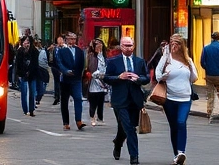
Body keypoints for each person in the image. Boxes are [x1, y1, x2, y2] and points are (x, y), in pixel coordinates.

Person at [104, 36, 149, 165]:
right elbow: (107, 78)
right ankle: (134, 157)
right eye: (125, 45)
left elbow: (146, 78)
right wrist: (119, 77)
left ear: (133, 46)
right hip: (120, 100)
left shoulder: (139, 61)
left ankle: (118, 143)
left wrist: (138, 79)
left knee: (126, 127)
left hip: (135, 100)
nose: (128, 48)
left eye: (130, 45)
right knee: (129, 128)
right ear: (121, 46)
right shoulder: (113, 61)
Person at [155, 34, 199, 165]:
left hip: (185, 98)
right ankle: (176, 155)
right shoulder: (166, 58)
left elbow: (194, 78)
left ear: (181, 45)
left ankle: (181, 152)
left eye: (177, 43)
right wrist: (163, 76)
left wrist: (189, 69)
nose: (174, 46)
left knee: (181, 122)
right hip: (169, 98)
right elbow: (157, 74)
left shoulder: (187, 60)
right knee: (174, 126)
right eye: (172, 43)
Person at [53, 31, 87, 130]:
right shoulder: (62, 51)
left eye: (74, 39)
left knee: (78, 98)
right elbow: (59, 63)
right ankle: (66, 122)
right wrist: (65, 71)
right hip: (65, 80)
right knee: (64, 101)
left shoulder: (79, 51)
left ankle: (78, 121)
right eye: (71, 39)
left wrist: (80, 74)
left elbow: (82, 64)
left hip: (76, 79)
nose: (72, 40)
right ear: (66, 39)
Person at [14, 36, 40, 117]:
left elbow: (35, 64)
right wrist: (20, 74)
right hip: (23, 74)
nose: (26, 43)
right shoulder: (20, 51)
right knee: (24, 92)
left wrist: (30, 71)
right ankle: (25, 110)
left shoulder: (34, 51)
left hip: (32, 74)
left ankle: (31, 110)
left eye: (28, 42)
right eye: (25, 41)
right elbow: (18, 64)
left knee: (32, 92)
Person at [85, 38, 108, 126]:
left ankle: (100, 117)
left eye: (101, 46)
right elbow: (90, 68)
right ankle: (92, 117)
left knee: (101, 100)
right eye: (97, 46)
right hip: (93, 81)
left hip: (102, 80)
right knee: (93, 101)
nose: (99, 48)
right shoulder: (91, 56)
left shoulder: (103, 56)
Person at [48, 35, 65, 106]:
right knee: (57, 82)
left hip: (63, 68)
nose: (60, 41)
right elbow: (50, 57)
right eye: (59, 40)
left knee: (62, 83)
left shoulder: (65, 48)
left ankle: (61, 96)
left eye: (61, 40)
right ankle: (57, 96)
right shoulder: (54, 49)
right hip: (55, 67)